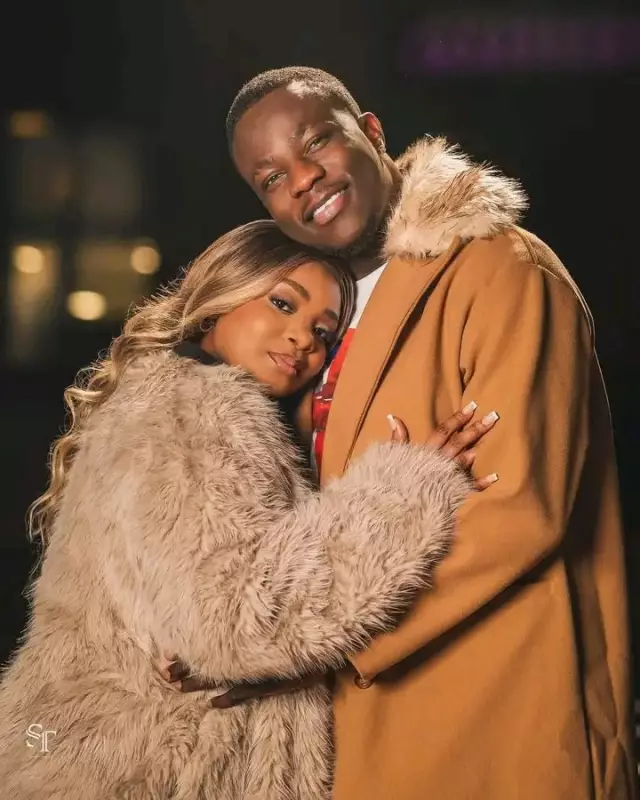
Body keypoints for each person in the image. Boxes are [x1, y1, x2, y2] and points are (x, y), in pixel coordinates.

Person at [223, 67, 638, 798]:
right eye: (272, 178)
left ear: (372, 132)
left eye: (316, 142)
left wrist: (310, 639)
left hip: (497, 720)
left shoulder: (503, 270)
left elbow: (521, 508)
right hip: (355, 738)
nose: (303, 179)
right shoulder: (308, 315)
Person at [0, 219, 497, 799]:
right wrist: (409, 487)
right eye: (283, 303)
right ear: (220, 299)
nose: (303, 338)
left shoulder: (162, 396)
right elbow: (238, 615)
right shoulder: (200, 408)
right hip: (133, 773)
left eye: (323, 331)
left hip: (73, 753)